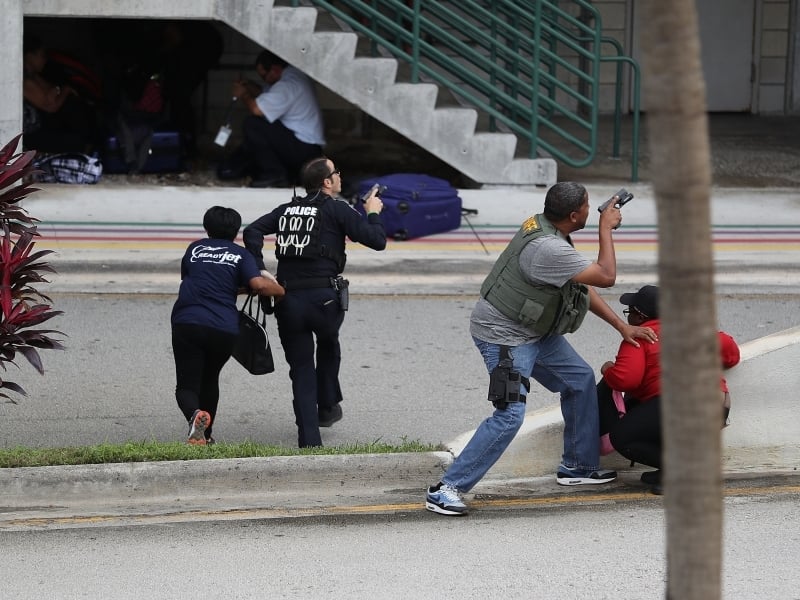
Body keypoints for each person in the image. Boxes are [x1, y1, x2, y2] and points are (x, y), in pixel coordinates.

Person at [424, 182, 659, 516]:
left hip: (534, 332)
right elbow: (606, 276)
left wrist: (622, 326)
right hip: (504, 337)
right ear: (575, 215)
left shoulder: (548, 227)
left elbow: (579, 283)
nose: (594, 211)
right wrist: (607, 229)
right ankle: (446, 489)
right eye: (589, 206)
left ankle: (578, 466)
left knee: (579, 379)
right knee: (510, 415)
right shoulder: (548, 248)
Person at [243, 157, 386, 447]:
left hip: (288, 300)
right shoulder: (337, 209)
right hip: (324, 302)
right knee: (330, 343)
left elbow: (251, 231)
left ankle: (310, 440)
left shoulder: (286, 210)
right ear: (327, 182)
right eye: (336, 172)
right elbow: (377, 240)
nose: (340, 176)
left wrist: (259, 267)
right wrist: (372, 213)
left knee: (301, 369)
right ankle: (329, 403)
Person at [598, 284, 741, 494]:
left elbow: (626, 380)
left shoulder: (639, 337)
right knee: (648, 416)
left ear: (639, 316)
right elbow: (732, 354)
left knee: (622, 435)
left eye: (630, 312)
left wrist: (608, 369)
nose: (628, 317)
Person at [171, 206, 285, 445]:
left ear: (207, 227)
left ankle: (195, 417)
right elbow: (258, 284)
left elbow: (194, 278)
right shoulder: (241, 254)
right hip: (223, 327)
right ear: (236, 232)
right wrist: (281, 290)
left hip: (188, 321)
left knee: (186, 385)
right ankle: (206, 436)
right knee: (210, 378)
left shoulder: (195, 248)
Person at [218, 50, 325, 188]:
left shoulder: (287, 85)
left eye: (264, 76)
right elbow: (268, 93)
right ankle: (282, 173)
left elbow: (257, 110)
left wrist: (243, 94)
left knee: (253, 124)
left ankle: (275, 175)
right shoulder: (295, 74)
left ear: (274, 70)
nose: (264, 80)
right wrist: (249, 86)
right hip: (307, 148)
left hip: (303, 150)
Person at [22, 33, 97, 154]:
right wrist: (64, 90)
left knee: (77, 107)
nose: (44, 60)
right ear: (30, 56)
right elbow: (51, 106)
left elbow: (51, 90)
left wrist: (59, 91)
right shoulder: (24, 80)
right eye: (42, 56)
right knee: (75, 140)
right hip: (32, 134)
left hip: (43, 124)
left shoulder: (34, 76)